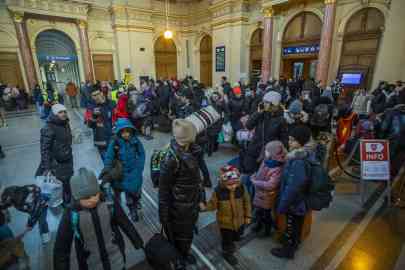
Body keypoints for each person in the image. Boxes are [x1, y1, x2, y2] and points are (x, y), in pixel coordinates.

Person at [53, 168, 143, 270]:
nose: (92, 200)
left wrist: (138, 242)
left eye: (94, 194)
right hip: (90, 264)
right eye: (86, 198)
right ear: (76, 197)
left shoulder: (109, 203)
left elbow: (125, 222)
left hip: (116, 258)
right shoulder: (71, 214)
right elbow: (62, 249)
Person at [159, 119, 204, 269]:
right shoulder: (171, 159)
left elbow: (198, 179)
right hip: (178, 209)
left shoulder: (192, 151)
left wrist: (201, 197)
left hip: (191, 205)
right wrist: (164, 214)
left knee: (187, 235)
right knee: (177, 237)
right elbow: (163, 190)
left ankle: (184, 253)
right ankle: (178, 259)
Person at [271, 125, 314, 259]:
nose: (289, 143)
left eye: (293, 140)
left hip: (294, 202)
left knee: (291, 225)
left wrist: (282, 205)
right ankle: (294, 244)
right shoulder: (305, 154)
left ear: (301, 142)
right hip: (301, 201)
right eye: (289, 139)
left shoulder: (298, 161)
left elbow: (293, 187)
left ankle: (288, 251)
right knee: (296, 224)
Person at [200, 165, 251, 266]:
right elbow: (212, 205)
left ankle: (234, 239)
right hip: (225, 224)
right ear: (223, 182)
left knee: (237, 235)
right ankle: (227, 253)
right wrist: (204, 207)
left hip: (240, 220)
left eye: (234, 184)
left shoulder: (241, 188)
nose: (232, 187)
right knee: (227, 240)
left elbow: (247, 202)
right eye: (229, 185)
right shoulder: (218, 192)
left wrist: (248, 216)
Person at [102, 118, 145, 222]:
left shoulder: (135, 141)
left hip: (134, 171)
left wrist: (139, 167)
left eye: (128, 131)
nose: (126, 134)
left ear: (131, 131)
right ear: (119, 132)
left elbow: (141, 154)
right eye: (123, 132)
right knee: (126, 192)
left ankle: (136, 203)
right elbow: (109, 156)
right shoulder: (115, 143)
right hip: (122, 173)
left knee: (136, 190)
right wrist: (107, 169)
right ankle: (129, 209)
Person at [35, 104, 73, 205]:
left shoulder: (65, 123)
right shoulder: (48, 128)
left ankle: (68, 205)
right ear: (54, 114)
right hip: (56, 164)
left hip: (67, 161)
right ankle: (64, 207)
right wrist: (47, 168)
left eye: (64, 111)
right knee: (60, 188)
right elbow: (45, 150)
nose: (63, 114)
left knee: (68, 184)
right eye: (60, 112)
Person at [243, 91, 288, 175]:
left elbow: (284, 140)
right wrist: (258, 113)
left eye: (266, 102)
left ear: (274, 104)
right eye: (263, 101)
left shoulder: (281, 120)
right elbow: (248, 125)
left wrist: (278, 156)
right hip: (254, 150)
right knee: (249, 173)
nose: (263, 104)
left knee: (261, 178)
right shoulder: (262, 114)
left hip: (269, 155)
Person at [250, 141, 286, 236]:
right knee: (259, 211)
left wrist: (255, 182)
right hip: (260, 191)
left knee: (266, 214)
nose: (265, 152)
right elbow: (260, 172)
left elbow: (271, 185)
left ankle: (266, 230)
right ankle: (258, 225)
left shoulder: (278, 167)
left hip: (268, 195)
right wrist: (255, 176)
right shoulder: (267, 160)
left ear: (274, 153)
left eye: (267, 150)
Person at [87, 88, 114, 161]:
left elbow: (115, 116)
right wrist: (93, 116)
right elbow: (89, 125)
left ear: (101, 93)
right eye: (94, 95)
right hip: (101, 139)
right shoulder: (90, 108)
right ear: (91, 97)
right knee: (107, 163)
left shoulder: (111, 103)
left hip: (113, 137)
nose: (97, 96)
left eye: (98, 94)